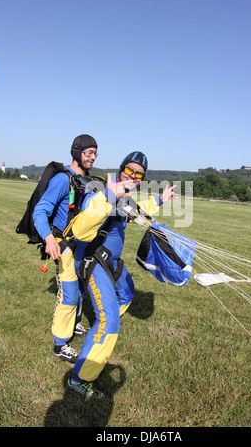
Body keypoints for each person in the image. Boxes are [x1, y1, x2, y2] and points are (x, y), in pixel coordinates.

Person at [65, 151, 178, 399]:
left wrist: (160, 199)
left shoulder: (124, 198)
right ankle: (79, 379)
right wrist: (108, 196)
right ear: (121, 169)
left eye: (139, 174)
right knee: (110, 321)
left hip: (112, 263)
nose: (133, 176)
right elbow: (81, 230)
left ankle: (103, 324)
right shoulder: (99, 192)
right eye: (129, 170)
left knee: (127, 294)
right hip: (94, 262)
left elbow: (137, 211)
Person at [33, 134, 98, 363]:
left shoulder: (87, 181)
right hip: (65, 246)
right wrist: (49, 239)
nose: (93, 157)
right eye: (89, 152)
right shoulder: (63, 180)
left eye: (95, 153)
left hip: (83, 247)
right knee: (69, 294)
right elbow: (40, 211)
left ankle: (74, 323)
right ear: (77, 152)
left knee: (80, 289)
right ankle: (60, 345)